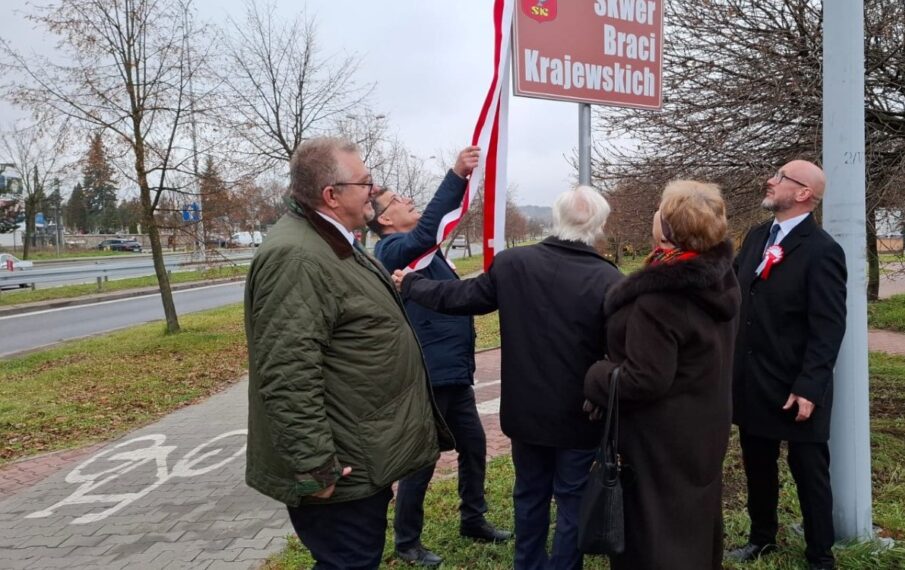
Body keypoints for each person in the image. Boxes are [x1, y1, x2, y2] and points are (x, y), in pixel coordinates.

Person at [244, 137, 452, 570]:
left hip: (359, 454)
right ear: (331, 195)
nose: (373, 191)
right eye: (365, 182)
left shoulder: (332, 242)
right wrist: (315, 467)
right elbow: (286, 371)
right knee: (350, 561)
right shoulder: (298, 257)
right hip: (338, 471)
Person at [392, 186, 622, 570]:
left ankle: (528, 564)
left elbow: (462, 297)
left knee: (529, 494)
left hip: (526, 411)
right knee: (572, 499)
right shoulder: (608, 279)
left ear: (556, 218)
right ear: (598, 225)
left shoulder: (514, 264)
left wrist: (412, 284)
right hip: (581, 414)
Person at [582, 180, 741, 570]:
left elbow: (644, 379)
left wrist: (597, 374)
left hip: (661, 439)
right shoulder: (717, 276)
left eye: (659, 208)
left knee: (655, 531)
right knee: (692, 520)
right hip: (703, 424)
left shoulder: (662, 298)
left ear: (668, 228)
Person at [368, 146, 511, 567]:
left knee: (475, 446)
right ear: (385, 221)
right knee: (421, 461)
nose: (407, 201)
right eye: (397, 201)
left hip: (454, 374)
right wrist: (454, 176)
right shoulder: (394, 252)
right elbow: (427, 230)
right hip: (429, 377)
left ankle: (473, 518)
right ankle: (407, 542)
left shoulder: (424, 255)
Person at [726, 160, 847, 570]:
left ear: (802, 194)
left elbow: (828, 327)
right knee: (757, 465)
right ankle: (762, 539)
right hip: (753, 381)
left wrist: (810, 386)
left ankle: (820, 555)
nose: (770, 180)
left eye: (780, 177)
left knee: (809, 471)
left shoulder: (823, 250)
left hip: (796, 386)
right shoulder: (758, 236)